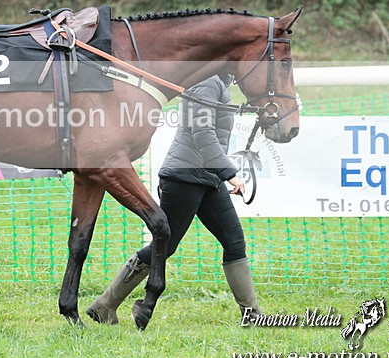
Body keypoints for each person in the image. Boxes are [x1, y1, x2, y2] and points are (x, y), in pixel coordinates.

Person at [86, 73, 263, 325]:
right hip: (185, 178)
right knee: (165, 246)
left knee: (234, 243)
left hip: (207, 178)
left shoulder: (217, 83)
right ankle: (104, 306)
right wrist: (230, 174)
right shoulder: (207, 82)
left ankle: (253, 315)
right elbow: (203, 135)